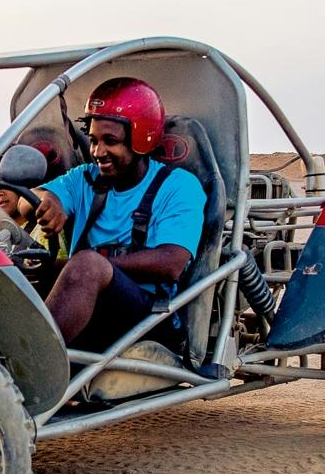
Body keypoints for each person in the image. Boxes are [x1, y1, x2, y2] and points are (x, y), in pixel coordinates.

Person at [31, 77, 206, 350]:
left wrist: (96, 266)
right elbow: (32, 199)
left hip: (148, 318)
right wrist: (48, 200)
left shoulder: (179, 186)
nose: (97, 152)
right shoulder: (84, 178)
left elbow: (171, 263)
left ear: (141, 139)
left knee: (86, 265)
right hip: (84, 304)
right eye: (93, 140)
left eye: (110, 141)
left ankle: (35, 364)